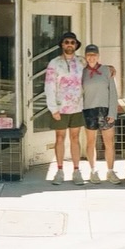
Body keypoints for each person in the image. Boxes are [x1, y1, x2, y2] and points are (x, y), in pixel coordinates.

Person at [44, 32, 86, 186]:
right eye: (67, 42)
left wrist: (109, 68)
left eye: (72, 42)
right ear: (62, 44)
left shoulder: (82, 62)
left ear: (76, 45)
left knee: (75, 138)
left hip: (77, 107)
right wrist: (53, 108)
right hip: (60, 108)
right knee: (59, 138)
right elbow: (49, 86)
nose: (70, 44)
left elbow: (95, 70)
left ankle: (76, 171)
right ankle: (59, 171)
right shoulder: (54, 63)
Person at [82, 44, 121, 184]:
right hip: (89, 110)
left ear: (98, 56)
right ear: (85, 57)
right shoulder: (82, 73)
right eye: (89, 55)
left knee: (108, 142)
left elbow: (113, 93)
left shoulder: (107, 71)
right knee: (90, 142)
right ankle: (93, 171)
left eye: (94, 55)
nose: (91, 57)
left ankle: (110, 172)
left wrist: (112, 112)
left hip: (105, 110)